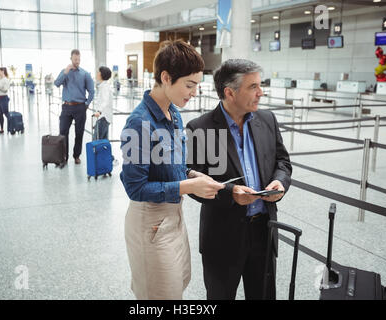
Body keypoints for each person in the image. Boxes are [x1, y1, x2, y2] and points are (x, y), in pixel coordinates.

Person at [120, 40, 224, 300]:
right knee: (160, 295)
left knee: (176, 287)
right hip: (151, 224)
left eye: (197, 85)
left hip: (174, 219)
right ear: (166, 77)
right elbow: (135, 187)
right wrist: (188, 187)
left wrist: (191, 175)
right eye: (189, 85)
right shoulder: (139, 122)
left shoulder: (174, 114)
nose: (194, 92)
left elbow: (171, 165)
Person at [186, 59, 292, 300]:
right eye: (253, 86)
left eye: (260, 85)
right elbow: (191, 181)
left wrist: (280, 182)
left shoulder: (267, 120)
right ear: (230, 92)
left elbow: (282, 162)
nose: (260, 92)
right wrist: (229, 193)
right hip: (223, 238)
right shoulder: (200, 129)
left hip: (264, 232)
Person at [54, 49, 95, 165]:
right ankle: (63, 157)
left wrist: (86, 104)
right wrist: (65, 71)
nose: (77, 61)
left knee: (79, 133)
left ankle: (76, 155)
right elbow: (57, 83)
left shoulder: (85, 74)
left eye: (79, 59)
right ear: (71, 59)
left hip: (80, 107)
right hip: (66, 107)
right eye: (75, 59)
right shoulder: (65, 72)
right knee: (63, 132)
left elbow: (92, 91)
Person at [93, 66, 113, 140]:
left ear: (102, 75)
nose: (97, 74)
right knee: (103, 141)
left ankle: (96, 152)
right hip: (103, 117)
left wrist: (99, 111)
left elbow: (105, 101)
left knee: (97, 140)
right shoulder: (103, 86)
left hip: (103, 118)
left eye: (98, 72)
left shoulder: (105, 87)